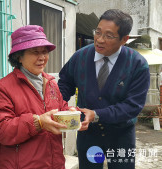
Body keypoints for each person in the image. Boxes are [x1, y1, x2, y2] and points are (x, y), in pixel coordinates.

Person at [58, 9, 150, 169]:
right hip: (89, 135)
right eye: (97, 32)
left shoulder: (137, 65)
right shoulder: (80, 57)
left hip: (121, 135)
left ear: (124, 39)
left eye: (108, 36)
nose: (99, 40)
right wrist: (59, 106)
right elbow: (65, 83)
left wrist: (97, 115)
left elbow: (133, 106)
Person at [0, 25, 74, 169]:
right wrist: (38, 122)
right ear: (19, 57)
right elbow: (0, 130)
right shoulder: (2, 88)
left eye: (45, 52)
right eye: (35, 52)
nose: (42, 57)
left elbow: (60, 109)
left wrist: (72, 113)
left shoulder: (51, 83)